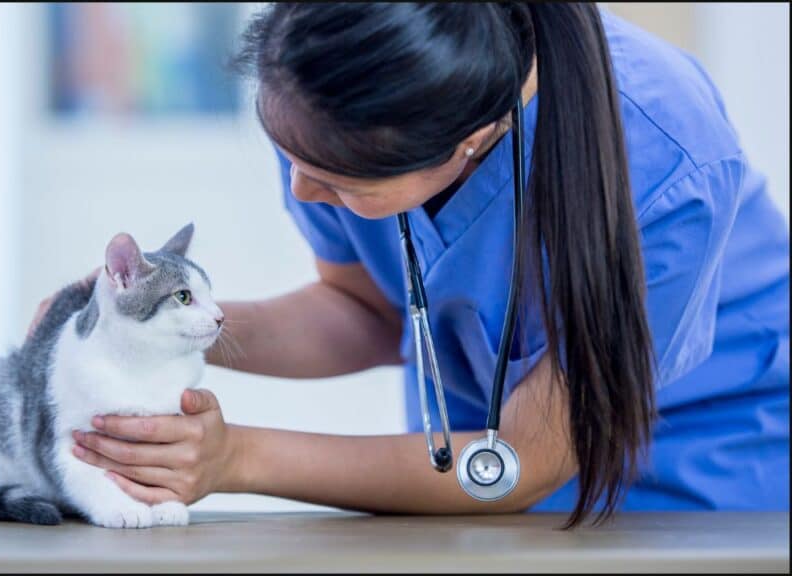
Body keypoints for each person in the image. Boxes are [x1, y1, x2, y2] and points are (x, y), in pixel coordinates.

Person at [49, 3, 789, 527]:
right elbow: (363, 312)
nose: (306, 190)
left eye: (341, 182)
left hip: (702, 468)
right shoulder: (329, 89)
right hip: (472, 481)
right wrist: (151, 326)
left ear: (472, 142)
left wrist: (233, 458)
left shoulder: (669, 164)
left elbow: (529, 456)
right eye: (293, 159)